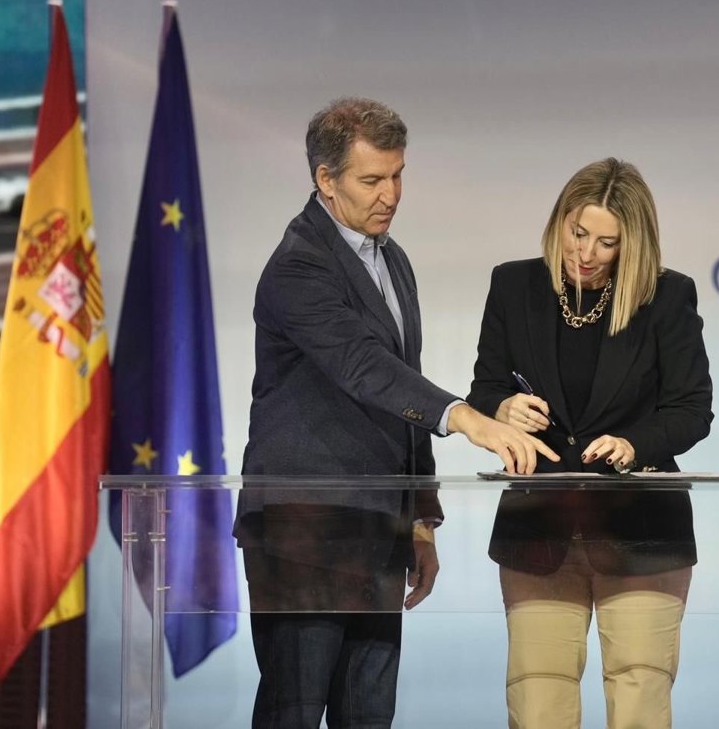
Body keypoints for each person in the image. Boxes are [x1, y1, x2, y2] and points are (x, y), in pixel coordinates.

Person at [235, 96, 558, 729]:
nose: (391, 194)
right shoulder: (298, 265)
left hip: (377, 530)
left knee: (369, 717)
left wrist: (421, 519)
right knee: (291, 713)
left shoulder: (393, 259)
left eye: (398, 174)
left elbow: (401, 390)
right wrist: (468, 417)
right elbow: (362, 367)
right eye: (372, 179)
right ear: (326, 180)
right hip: (304, 533)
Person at [466, 157, 713, 729]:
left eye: (607, 242)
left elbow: (692, 410)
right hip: (539, 529)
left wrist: (634, 444)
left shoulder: (667, 296)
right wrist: (501, 408)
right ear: (560, 220)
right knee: (538, 701)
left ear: (632, 243)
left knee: (639, 696)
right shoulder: (514, 285)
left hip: (641, 532)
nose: (586, 253)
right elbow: (485, 389)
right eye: (578, 233)